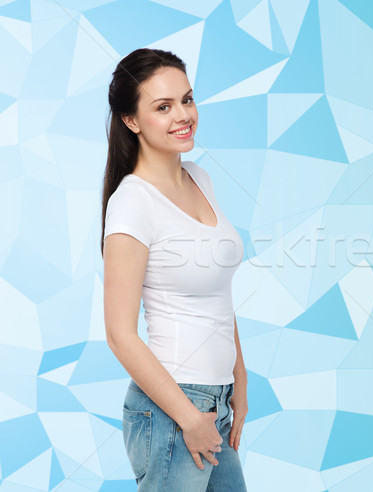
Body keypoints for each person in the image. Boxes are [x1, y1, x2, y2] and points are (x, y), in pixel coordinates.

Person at [100, 48, 248, 491]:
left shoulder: (200, 178)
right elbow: (119, 334)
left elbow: (218, 293)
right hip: (173, 409)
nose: (182, 115)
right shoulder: (132, 202)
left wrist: (238, 380)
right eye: (162, 107)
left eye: (186, 99)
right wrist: (188, 416)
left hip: (215, 400)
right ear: (131, 120)